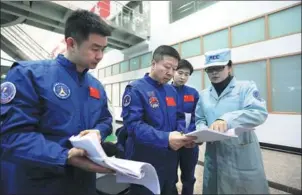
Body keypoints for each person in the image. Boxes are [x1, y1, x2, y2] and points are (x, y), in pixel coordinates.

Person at [1, 9, 114, 195]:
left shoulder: (96, 87)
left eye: (103, 49)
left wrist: (98, 132)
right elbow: (12, 136)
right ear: (71, 43)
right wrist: (66, 156)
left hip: (83, 184)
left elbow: (105, 120)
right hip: (40, 184)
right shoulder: (29, 75)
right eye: (95, 48)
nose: (100, 55)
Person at [121, 45, 196, 195]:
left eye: (174, 69)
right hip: (145, 161)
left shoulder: (171, 90)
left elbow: (179, 117)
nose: (170, 73)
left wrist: (184, 135)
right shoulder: (136, 89)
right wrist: (166, 138)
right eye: (167, 67)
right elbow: (133, 127)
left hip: (169, 161)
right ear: (154, 63)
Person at [195, 48, 269, 194]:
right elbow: (200, 118)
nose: (214, 73)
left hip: (241, 153)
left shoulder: (246, 88)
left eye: (218, 68)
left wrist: (226, 119)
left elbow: (258, 112)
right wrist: (201, 132)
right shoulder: (203, 95)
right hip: (214, 153)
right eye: (209, 69)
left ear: (229, 67)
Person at [171, 59, 200, 195]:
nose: (183, 77)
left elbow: (198, 116)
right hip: (170, 142)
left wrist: (191, 134)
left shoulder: (193, 93)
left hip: (190, 142)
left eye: (187, 74)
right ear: (173, 71)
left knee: (189, 178)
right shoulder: (165, 91)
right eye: (180, 72)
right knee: (170, 177)